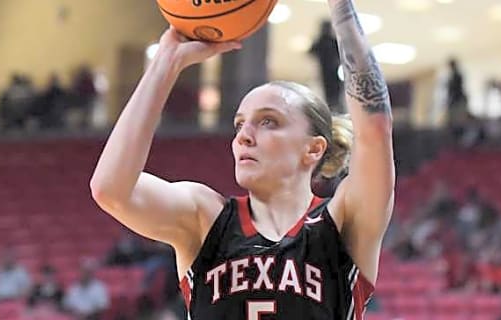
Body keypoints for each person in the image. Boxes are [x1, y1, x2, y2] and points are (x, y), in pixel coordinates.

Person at [89, 0, 395, 318]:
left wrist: (340, 6)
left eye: (268, 121)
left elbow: (374, 128)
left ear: (314, 149)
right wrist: (166, 62)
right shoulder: (205, 217)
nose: (244, 136)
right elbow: (110, 189)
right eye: (239, 124)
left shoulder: (345, 222)